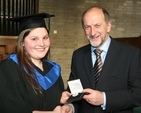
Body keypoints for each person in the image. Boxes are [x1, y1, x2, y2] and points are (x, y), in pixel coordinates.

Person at [62, 6, 141, 113]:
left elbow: (138, 94)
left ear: (108, 26)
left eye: (97, 25)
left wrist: (104, 98)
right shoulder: (78, 55)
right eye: (87, 27)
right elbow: (75, 90)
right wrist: (70, 106)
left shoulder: (131, 54)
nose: (92, 32)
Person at [0, 13, 72, 113]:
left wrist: (64, 104)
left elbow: (47, 101)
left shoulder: (53, 69)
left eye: (45, 38)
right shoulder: (8, 68)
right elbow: (11, 108)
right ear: (22, 42)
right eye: (34, 39)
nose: (42, 43)